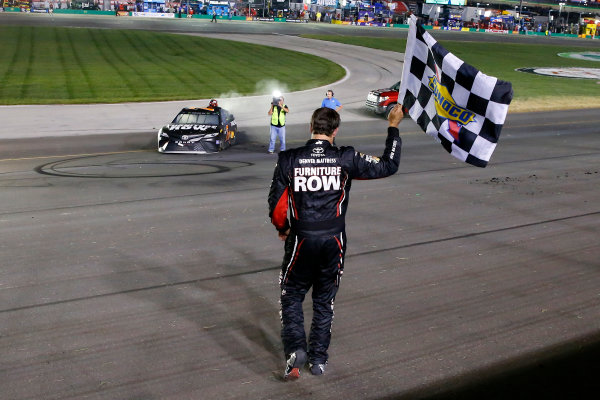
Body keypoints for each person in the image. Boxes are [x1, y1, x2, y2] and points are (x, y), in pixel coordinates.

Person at [268, 105, 404, 380]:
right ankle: (318, 360)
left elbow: (276, 204)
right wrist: (393, 127)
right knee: (324, 300)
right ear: (336, 130)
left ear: (311, 127)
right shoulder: (346, 157)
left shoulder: (289, 159)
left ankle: (296, 351)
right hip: (334, 240)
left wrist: (282, 228)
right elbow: (389, 165)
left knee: (291, 295)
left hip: (302, 238)